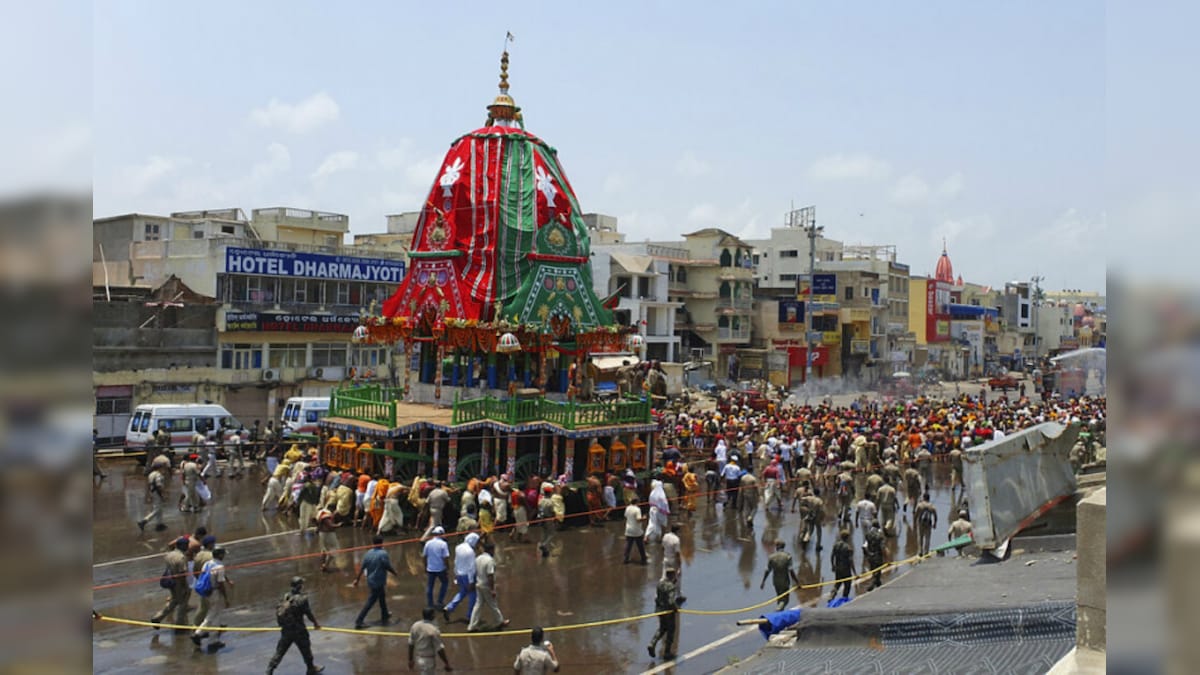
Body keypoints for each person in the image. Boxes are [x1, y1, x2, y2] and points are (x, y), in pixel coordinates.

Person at [267, 576, 323, 675]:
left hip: (286, 631)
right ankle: (311, 669)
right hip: (299, 631)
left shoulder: (286, 596)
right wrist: (316, 623)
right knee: (306, 649)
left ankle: (269, 670)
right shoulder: (302, 598)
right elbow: (308, 613)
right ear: (299, 586)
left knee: (280, 651)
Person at [191, 545, 232, 650]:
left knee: (214, 614)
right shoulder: (219, 566)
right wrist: (226, 598)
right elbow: (220, 584)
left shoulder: (207, 563)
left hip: (207, 592)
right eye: (223, 554)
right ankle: (200, 634)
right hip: (215, 592)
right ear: (219, 555)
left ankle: (212, 638)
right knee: (214, 615)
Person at [352, 536, 398, 629]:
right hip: (379, 581)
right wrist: (394, 572)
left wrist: (357, 579)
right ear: (382, 543)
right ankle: (359, 620)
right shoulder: (383, 553)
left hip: (371, 580)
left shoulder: (368, 553)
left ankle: (385, 614)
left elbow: (362, 567)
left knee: (382, 597)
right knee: (371, 601)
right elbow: (387, 565)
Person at [468, 542, 510, 632]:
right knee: (493, 604)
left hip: (478, 584)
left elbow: (473, 572)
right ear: (491, 550)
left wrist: (472, 582)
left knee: (478, 606)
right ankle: (500, 621)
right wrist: (492, 589)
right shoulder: (489, 560)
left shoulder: (478, 558)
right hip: (486, 585)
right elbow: (490, 576)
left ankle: (471, 626)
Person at [151, 537, 191, 628]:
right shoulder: (181, 557)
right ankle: (180, 624)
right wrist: (185, 586)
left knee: (174, 600)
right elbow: (182, 574)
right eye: (186, 545)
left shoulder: (169, 555)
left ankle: (158, 617)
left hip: (170, 580)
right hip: (179, 583)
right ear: (183, 546)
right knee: (182, 603)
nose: (188, 546)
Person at [647, 567, 682, 661]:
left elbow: (658, 597)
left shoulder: (660, 584)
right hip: (668, 612)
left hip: (659, 610)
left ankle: (652, 643)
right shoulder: (671, 586)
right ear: (673, 575)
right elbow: (671, 601)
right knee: (671, 631)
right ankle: (667, 653)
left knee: (662, 628)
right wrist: (676, 608)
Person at [443, 533, 480, 623]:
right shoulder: (470, 551)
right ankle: (470, 615)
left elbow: (456, 561)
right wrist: (471, 581)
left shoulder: (458, 547)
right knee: (473, 595)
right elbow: (471, 567)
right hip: (468, 576)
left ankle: (449, 607)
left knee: (462, 592)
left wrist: (456, 574)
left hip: (460, 574)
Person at [409, 606, 453, 674]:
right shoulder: (433, 630)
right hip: (428, 660)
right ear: (432, 615)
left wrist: (410, 659)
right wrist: (446, 663)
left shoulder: (415, 625)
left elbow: (411, 644)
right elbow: (439, 649)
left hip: (419, 658)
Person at [760, 541, 800, 611]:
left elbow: (767, 570)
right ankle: (778, 610)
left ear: (776, 547)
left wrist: (763, 581)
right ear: (784, 546)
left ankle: (780, 613)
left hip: (776, 581)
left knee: (779, 597)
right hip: (784, 581)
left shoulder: (771, 557)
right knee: (785, 600)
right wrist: (797, 582)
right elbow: (791, 570)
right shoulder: (787, 556)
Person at [422, 526, 451, 611]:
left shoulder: (428, 543)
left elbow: (424, 556)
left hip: (430, 568)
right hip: (440, 569)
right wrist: (447, 567)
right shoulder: (443, 544)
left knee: (430, 586)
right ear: (441, 534)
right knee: (445, 583)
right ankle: (440, 601)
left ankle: (430, 604)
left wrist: (425, 566)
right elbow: (445, 558)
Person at [138, 464, 169, 533]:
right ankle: (144, 521)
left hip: (153, 492)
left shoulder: (151, 474)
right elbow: (159, 485)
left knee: (159, 508)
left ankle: (159, 524)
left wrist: (148, 494)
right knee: (157, 509)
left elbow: (148, 485)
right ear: (159, 468)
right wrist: (163, 494)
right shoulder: (158, 475)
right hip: (157, 492)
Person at [829, 529, 855, 601]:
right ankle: (844, 599)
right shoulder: (848, 548)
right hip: (846, 569)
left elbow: (832, 556)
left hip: (838, 568)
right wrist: (854, 572)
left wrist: (833, 565)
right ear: (847, 537)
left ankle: (831, 596)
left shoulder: (836, 545)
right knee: (847, 586)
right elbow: (851, 560)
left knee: (837, 584)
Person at [863, 520, 886, 591]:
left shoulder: (868, 534)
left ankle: (878, 585)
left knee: (873, 571)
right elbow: (882, 547)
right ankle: (872, 586)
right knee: (878, 572)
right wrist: (885, 555)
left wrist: (868, 555)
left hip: (870, 555)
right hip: (878, 555)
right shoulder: (879, 535)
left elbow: (864, 546)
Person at [316, 506, 339, 572]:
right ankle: (325, 565)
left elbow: (318, 525)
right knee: (334, 549)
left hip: (322, 534)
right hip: (329, 534)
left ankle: (323, 564)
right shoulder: (326, 513)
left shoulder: (318, 514)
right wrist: (338, 525)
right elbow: (329, 525)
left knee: (323, 550)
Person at [661, 524, 683, 594]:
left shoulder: (665, 536)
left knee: (664, 576)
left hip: (666, 558)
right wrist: (679, 566)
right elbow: (677, 554)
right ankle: (678, 594)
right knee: (677, 577)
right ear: (677, 531)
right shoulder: (676, 540)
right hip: (673, 560)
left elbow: (662, 547)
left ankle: (659, 592)